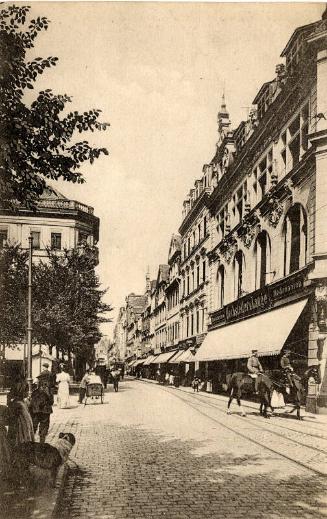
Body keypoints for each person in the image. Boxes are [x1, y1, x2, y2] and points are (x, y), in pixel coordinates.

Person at [7, 380, 34, 448]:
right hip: (21, 429)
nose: (28, 393)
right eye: (26, 391)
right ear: (21, 392)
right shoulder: (19, 404)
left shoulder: (21, 403)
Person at [29, 379, 53, 443]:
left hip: (36, 412)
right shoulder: (48, 392)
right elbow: (51, 402)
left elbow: (31, 404)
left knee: (34, 428)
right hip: (44, 413)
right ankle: (40, 443)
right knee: (42, 429)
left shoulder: (35, 392)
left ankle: (32, 442)